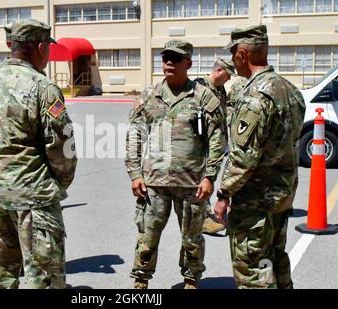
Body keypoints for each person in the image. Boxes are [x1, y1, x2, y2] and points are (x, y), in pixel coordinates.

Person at [0, 19, 77, 289]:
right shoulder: (43, 88)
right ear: (41, 47)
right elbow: (62, 147)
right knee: (43, 277)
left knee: (0, 277)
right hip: (34, 198)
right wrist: (59, 184)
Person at [126, 39, 225, 289]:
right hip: (154, 183)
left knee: (192, 239)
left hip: (192, 183)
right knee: (147, 238)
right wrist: (135, 174)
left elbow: (217, 139)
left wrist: (210, 176)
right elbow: (135, 135)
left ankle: (191, 281)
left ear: (188, 63)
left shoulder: (203, 97)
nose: (169, 62)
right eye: (166, 57)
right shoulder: (149, 95)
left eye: (176, 58)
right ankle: (140, 282)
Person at [214, 25, 306, 289]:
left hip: (256, 202)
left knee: (253, 270)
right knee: (275, 260)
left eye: (233, 55)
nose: (232, 61)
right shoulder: (290, 91)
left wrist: (223, 195)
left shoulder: (255, 97)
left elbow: (243, 159)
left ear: (243, 55)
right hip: (281, 196)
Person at [195, 58, 236, 235]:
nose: (228, 80)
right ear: (219, 71)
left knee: (210, 176)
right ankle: (201, 219)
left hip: (216, 142)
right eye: (227, 76)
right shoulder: (199, 86)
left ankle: (205, 215)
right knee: (203, 178)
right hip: (202, 143)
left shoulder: (220, 89)